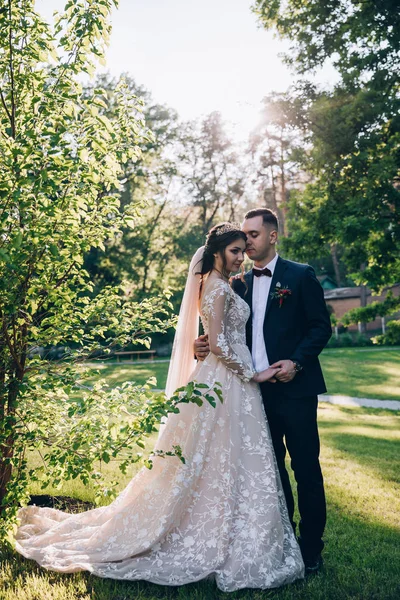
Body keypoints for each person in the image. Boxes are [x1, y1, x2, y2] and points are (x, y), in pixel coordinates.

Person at [15, 223, 304, 592]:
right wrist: (254, 374)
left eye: (241, 250)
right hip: (227, 380)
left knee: (225, 458)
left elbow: (220, 337)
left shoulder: (225, 285)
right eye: (234, 251)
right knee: (215, 456)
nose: (240, 257)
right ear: (216, 252)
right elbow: (217, 343)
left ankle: (232, 528)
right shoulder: (215, 287)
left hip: (231, 383)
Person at [195, 209, 332, 575]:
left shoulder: (300, 276)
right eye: (244, 236)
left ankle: (312, 547)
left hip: (296, 389)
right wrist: (201, 344)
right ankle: (280, 540)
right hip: (251, 393)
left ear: (272, 236)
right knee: (268, 471)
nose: (248, 241)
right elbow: (220, 330)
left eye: (254, 234)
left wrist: (296, 363)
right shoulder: (235, 284)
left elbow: (320, 328)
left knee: (306, 468)